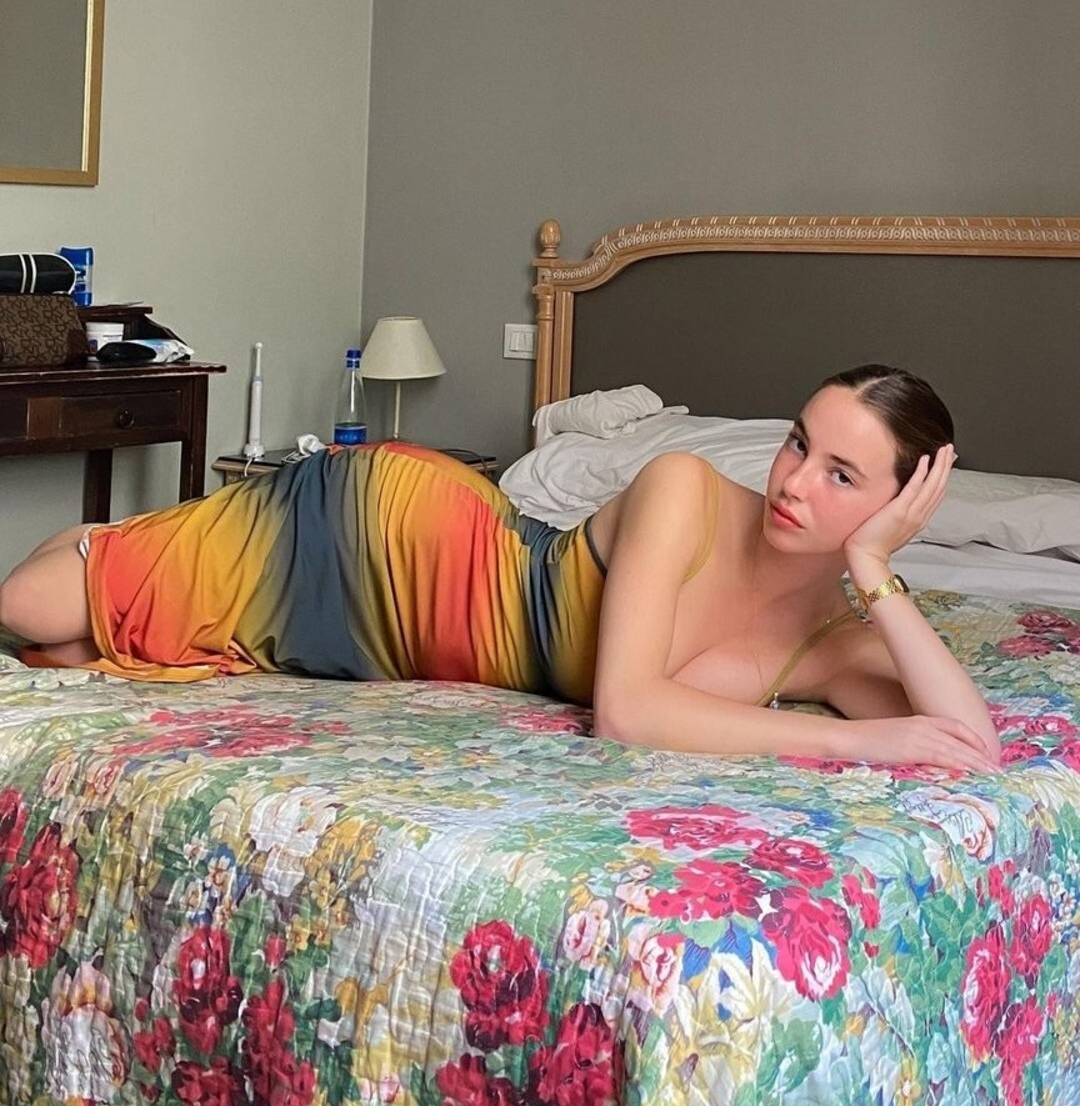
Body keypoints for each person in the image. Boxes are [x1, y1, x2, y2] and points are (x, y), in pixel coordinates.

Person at [0, 364, 999, 773]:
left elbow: (970, 743)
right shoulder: (686, 490)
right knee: (28, 606)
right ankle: (120, 542)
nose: (795, 483)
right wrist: (860, 742)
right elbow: (627, 711)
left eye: (842, 477)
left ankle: (137, 549)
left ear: (899, 503)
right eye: (797, 445)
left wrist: (875, 567)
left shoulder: (831, 640)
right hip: (393, 536)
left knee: (90, 639)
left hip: (398, 650)